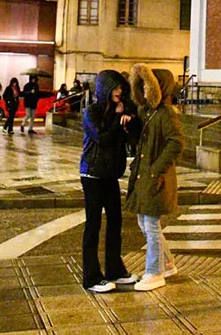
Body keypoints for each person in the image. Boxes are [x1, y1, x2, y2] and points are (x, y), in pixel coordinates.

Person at [80, 69, 142, 293]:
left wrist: (129, 121)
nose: (119, 91)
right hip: (93, 174)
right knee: (93, 224)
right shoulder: (92, 111)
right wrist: (118, 120)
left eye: (121, 88)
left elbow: (130, 139)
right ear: (105, 89)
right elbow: (103, 138)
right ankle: (91, 277)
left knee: (115, 222)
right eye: (115, 88)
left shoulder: (122, 109)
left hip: (111, 175)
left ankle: (115, 270)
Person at [126, 63, 184, 291]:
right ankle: (166, 262)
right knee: (144, 222)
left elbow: (177, 143)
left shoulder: (166, 114)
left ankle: (155, 272)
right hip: (145, 175)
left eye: (148, 86)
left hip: (155, 178)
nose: (144, 90)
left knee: (150, 224)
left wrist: (156, 169)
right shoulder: (147, 112)